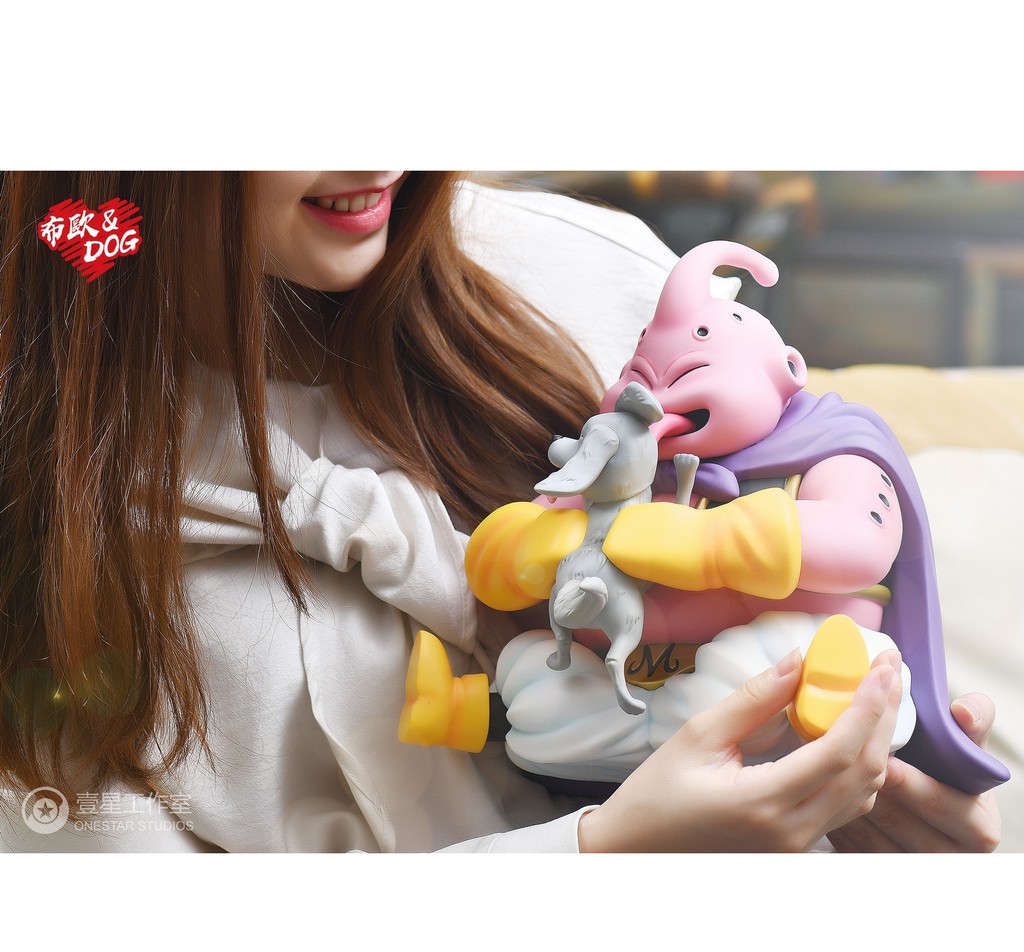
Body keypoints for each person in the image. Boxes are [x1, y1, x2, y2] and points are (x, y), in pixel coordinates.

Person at [0, 171, 1001, 853]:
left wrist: (865, 796)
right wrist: (602, 858)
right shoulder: (54, 486)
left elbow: (812, 516)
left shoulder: (590, 274)